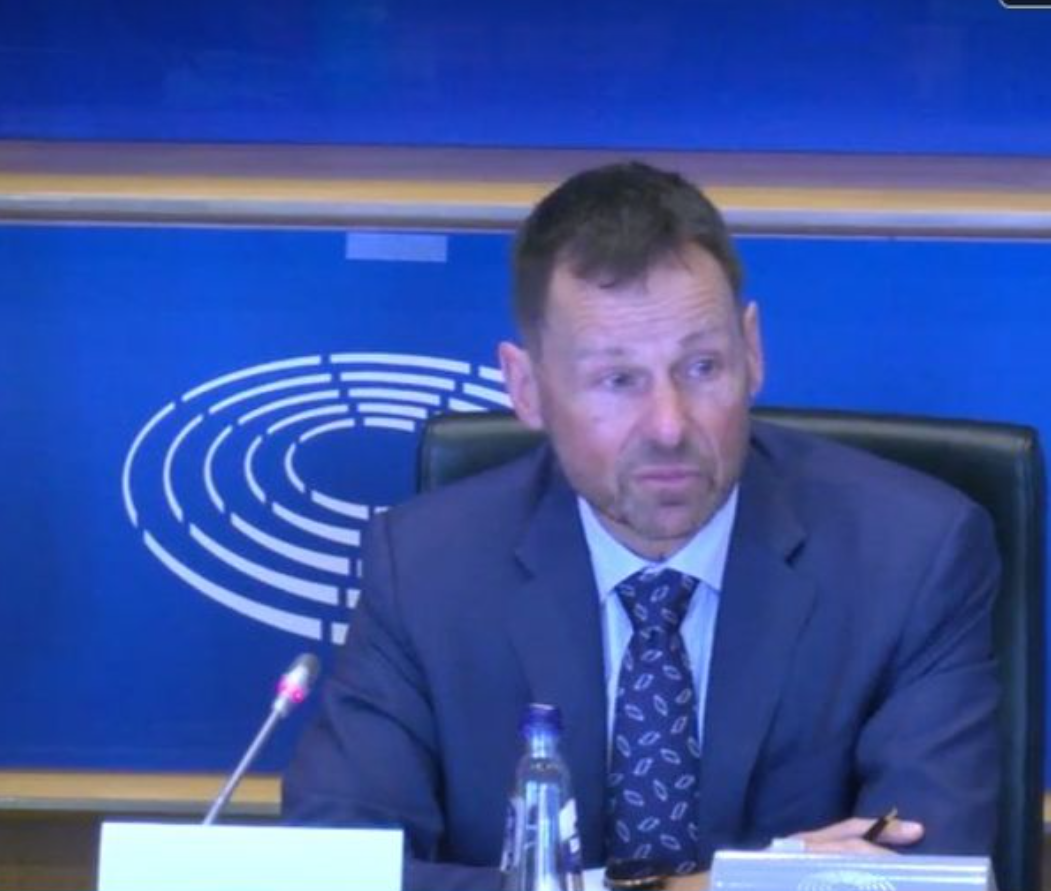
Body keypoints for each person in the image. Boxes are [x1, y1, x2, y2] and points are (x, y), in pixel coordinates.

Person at [283, 162, 999, 891]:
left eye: (702, 367)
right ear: (526, 388)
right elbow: (335, 872)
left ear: (752, 352)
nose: (668, 426)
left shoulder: (912, 557)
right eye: (617, 380)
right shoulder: (423, 569)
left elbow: (927, 875)